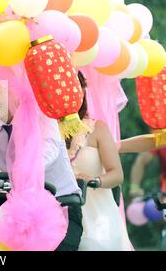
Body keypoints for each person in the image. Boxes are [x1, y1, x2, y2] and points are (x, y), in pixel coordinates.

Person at [0, 67, 83, 251]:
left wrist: (23, 172)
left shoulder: (40, 113)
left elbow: (49, 149)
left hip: (61, 204)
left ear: (13, 88)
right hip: (15, 209)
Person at [66, 72, 133, 251]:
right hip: (61, 215)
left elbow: (117, 174)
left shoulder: (98, 128)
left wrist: (94, 180)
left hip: (98, 216)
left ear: (82, 91)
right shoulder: (47, 130)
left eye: (76, 86)